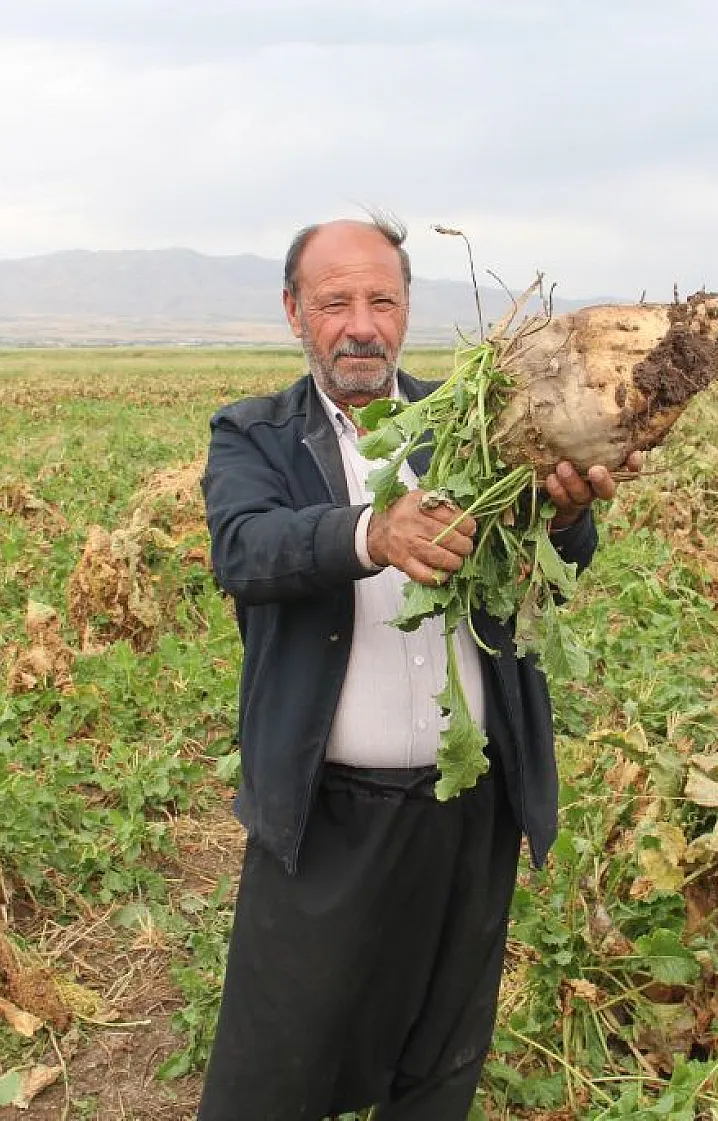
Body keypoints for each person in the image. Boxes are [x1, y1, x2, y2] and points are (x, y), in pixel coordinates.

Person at [197, 215, 634, 1120]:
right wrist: (369, 531)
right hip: (324, 813)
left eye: (381, 300)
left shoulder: (478, 419)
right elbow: (245, 548)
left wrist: (563, 516)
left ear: (404, 310)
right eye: (335, 302)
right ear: (293, 313)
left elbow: (556, 555)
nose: (361, 324)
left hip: (464, 812)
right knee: (274, 1067)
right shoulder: (255, 436)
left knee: (438, 1056)